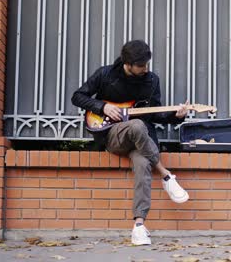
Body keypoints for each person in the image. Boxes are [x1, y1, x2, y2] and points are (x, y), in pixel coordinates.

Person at [71, 40, 189, 245]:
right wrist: (103, 107)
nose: (146, 69)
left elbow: (155, 115)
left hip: (141, 142)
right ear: (127, 63)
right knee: (136, 125)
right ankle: (166, 175)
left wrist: (177, 116)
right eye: (141, 65)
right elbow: (77, 96)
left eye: (147, 64)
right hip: (112, 134)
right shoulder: (105, 74)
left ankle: (139, 227)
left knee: (143, 164)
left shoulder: (152, 81)